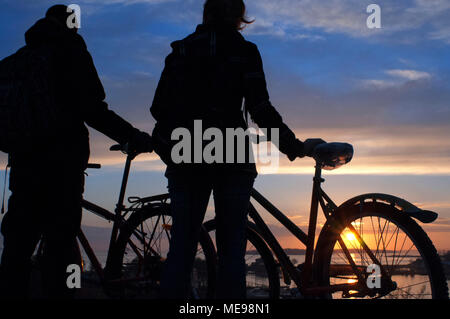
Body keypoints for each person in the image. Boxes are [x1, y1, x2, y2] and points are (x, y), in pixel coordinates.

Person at [150, 0, 325, 299]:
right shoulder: (244, 52)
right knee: (232, 252)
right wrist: (293, 147)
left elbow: (158, 108)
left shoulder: (181, 51)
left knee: (181, 250)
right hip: (232, 154)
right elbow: (260, 109)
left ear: (206, 12)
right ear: (239, 17)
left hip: (187, 154)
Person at [0, 5, 152, 299]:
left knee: (17, 246)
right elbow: (93, 107)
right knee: (61, 245)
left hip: (23, 164)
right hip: (62, 163)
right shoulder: (70, 50)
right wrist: (132, 136)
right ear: (72, 25)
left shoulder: (18, 61)